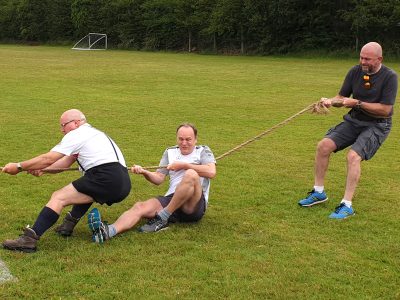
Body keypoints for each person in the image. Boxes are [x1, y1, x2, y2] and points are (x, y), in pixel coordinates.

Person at [1, 109, 131, 252]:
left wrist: (18, 166)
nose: (62, 130)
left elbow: (47, 159)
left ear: (76, 123)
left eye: (63, 125)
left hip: (105, 176)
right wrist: (42, 169)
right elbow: (62, 165)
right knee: (86, 190)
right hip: (123, 182)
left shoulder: (78, 134)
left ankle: (29, 240)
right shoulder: (95, 134)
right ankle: (67, 226)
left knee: (59, 197)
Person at [298, 42, 397, 219]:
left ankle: (347, 205)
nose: (363, 62)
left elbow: (385, 110)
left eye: (367, 59)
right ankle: (319, 192)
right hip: (354, 120)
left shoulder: (390, 76)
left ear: (379, 59)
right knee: (323, 146)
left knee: (353, 156)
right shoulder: (355, 71)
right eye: (361, 57)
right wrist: (330, 101)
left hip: (378, 124)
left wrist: (357, 103)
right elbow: (341, 97)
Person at [87, 123, 216, 242]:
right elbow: (159, 178)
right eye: (181, 139)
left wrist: (184, 165)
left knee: (191, 174)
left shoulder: (203, 151)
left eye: (188, 139)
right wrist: (145, 172)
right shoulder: (170, 152)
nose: (184, 143)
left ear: (195, 139)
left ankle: (162, 218)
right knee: (140, 207)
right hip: (173, 198)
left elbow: (211, 172)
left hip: (193, 204)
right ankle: (107, 232)